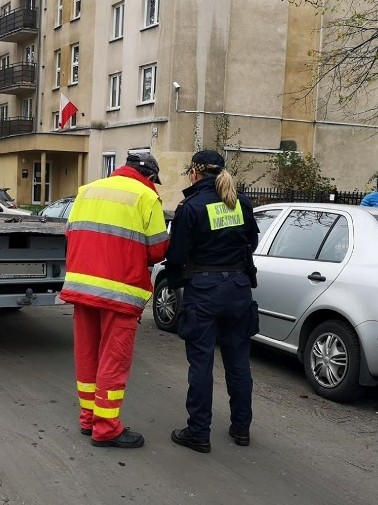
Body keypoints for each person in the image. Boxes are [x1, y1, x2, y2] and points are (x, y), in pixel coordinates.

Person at [60, 152, 169, 449]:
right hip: (120, 291)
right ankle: (106, 428)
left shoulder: (87, 191)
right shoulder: (146, 197)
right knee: (113, 359)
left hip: (83, 288)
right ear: (149, 177)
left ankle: (88, 419)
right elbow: (158, 250)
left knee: (87, 354)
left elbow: (71, 233)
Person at [165, 150, 259, 454]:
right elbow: (252, 243)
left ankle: (198, 433)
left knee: (202, 364)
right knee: (238, 363)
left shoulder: (191, 206)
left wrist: (179, 278)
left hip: (204, 291)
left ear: (195, 172)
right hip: (239, 289)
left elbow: (176, 256)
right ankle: (242, 428)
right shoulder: (241, 202)